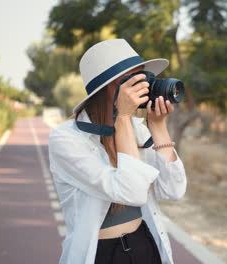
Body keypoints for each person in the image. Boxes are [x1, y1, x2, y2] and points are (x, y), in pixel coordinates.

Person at [48, 39, 187, 264]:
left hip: (145, 244)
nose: (142, 86)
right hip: (100, 253)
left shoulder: (136, 129)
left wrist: (159, 127)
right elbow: (132, 193)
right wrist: (122, 118)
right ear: (107, 89)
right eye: (131, 81)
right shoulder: (66, 139)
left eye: (143, 78)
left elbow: (174, 190)